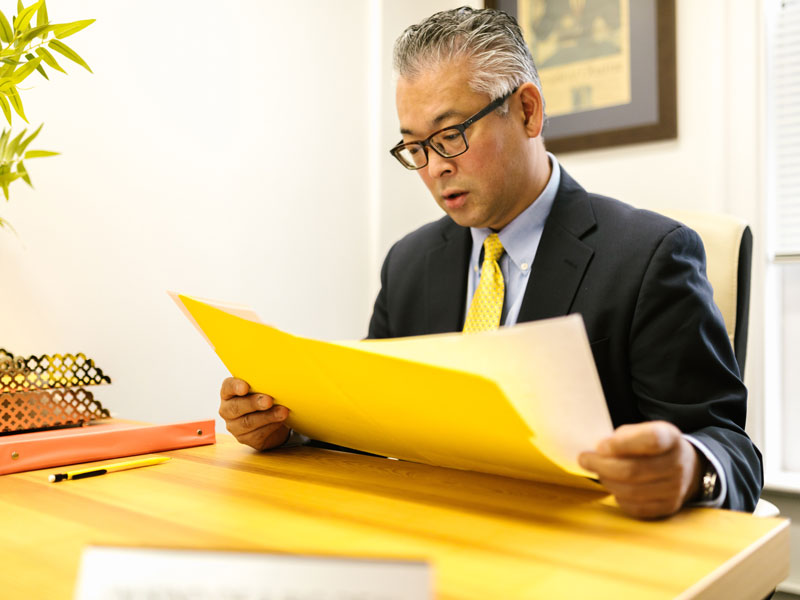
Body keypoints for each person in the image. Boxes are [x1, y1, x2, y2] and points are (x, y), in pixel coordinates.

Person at [218, 7, 762, 519]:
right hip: (440, 538)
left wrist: (693, 470)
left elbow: (730, 448)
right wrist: (283, 427)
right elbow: (372, 423)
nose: (433, 169)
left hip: (582, 550)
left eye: (451, 136)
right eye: (414, 147)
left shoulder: (650, 256)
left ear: (527, 111)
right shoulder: (408, 265)